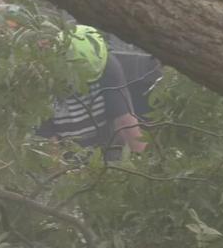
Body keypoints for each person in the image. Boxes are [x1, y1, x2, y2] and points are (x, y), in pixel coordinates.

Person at [36, 25, 146, 154]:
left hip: (105, 146)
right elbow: (49, 145)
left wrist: (144, 162)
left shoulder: (105, 63)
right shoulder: (40, 80)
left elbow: (125, 122)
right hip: (65, 153)